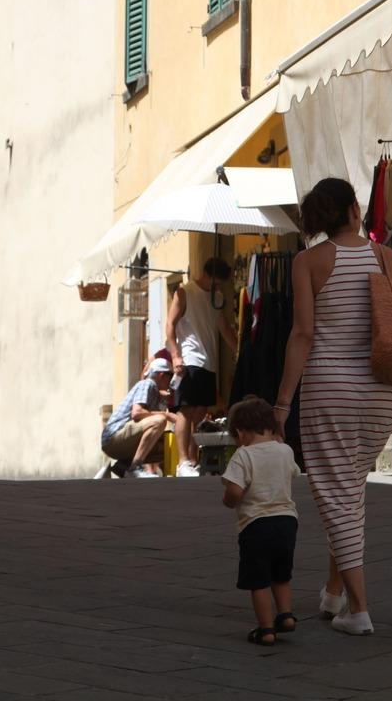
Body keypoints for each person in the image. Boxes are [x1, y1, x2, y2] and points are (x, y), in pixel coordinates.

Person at [274, 177, 392, 636]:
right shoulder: (385, 256)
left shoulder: (308, 262)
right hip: (380, 390)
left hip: (330, 393)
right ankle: (334, 591)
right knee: (350, 488)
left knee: (336, 494)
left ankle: (358, 609)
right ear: (356, 210)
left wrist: (282, 403)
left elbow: (303, 334)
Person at [221, 397, 300, 647]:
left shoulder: (243, 456)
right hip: (287, 522)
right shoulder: (285, 451)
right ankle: (285, 615)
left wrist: (229, 500)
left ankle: (266, 629)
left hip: (256, 525)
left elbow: (234, 492)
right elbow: (293, 472)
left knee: (259, 581)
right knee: (281, 575)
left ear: (240, 432)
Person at [167, 257, 238, 477]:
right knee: (186, 410)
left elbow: (223, 327)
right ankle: (182, 462)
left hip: (209, 361)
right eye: (216, 282)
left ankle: (192, 459)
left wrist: (239, 350)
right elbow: (170, 324)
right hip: (190, 358)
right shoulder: (184, 292)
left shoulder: (217, 298)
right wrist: (176, 356)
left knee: (200, 412)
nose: (218, 287)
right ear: (207, 275)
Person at [101, 357, 177, 477]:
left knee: (167, 445)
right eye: (171, 375)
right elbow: (137, 413)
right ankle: (135, 467)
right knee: (159, 421)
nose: (171, 380)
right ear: (162, 375)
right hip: (113, 438)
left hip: (118, 441)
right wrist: (166, 415)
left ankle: (123, 466)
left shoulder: (155, 390)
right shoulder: (147, 384)